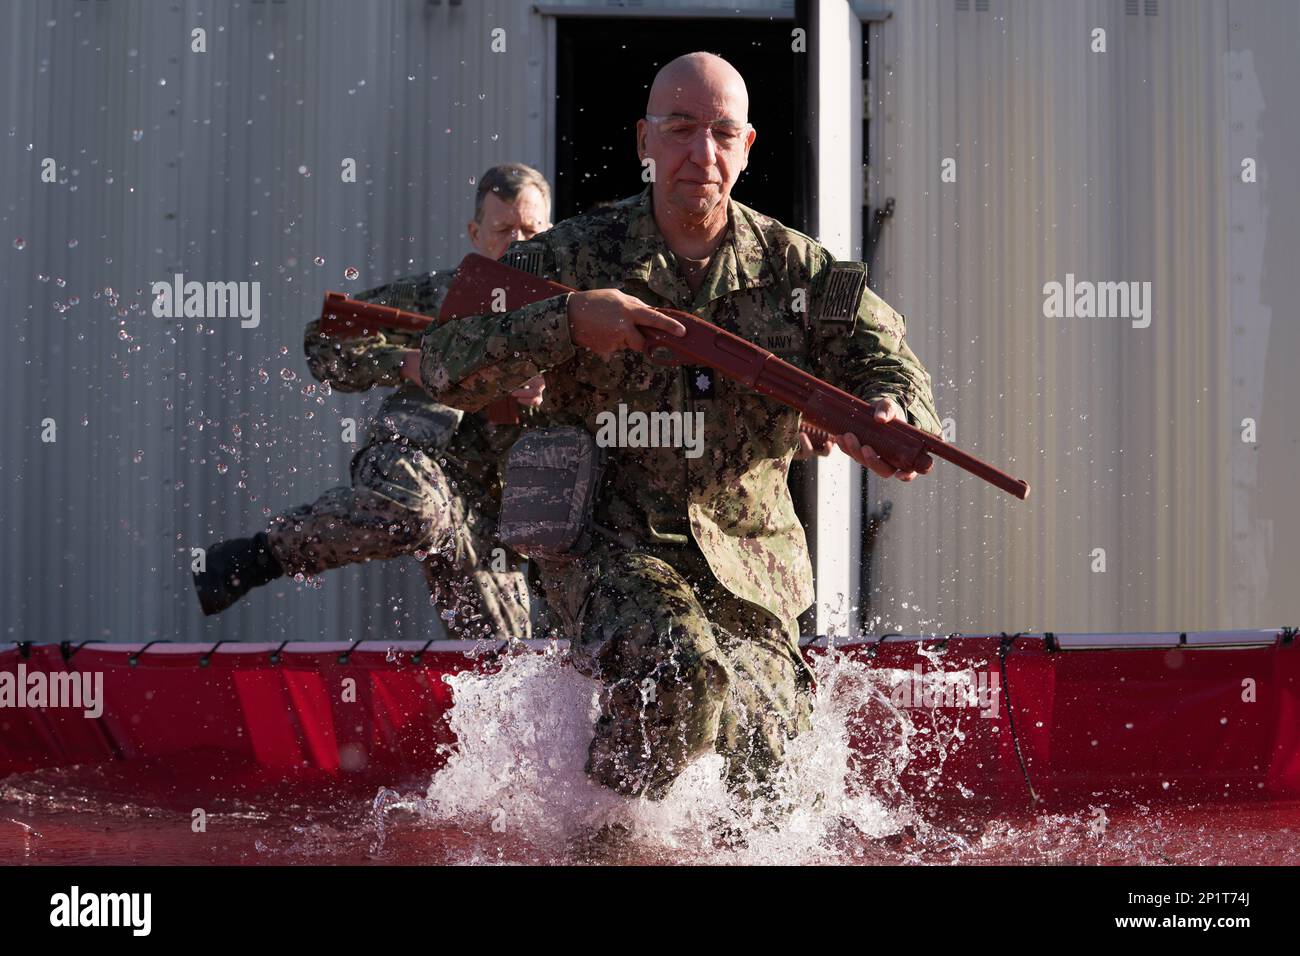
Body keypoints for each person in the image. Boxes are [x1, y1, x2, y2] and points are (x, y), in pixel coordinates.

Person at [411, 53, 941, 798]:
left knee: (769, 762)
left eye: (723, 133)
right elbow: (442, 363)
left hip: (750, 566)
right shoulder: (569, 257)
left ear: (748, 147)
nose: (702, 154)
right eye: (681, 129)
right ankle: (605, 841)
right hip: (609, 548)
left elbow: (888, 363)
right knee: (680, 676)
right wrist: (564, 322)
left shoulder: (802, 271)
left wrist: (891, 415)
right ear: (644, 142)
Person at [192, 163, 553, 642]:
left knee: (508, 659)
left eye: (531, 230)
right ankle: (261, 555)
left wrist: (550, 387)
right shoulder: (440, 295)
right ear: (475, 233)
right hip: (416, 453)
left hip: (486, 505)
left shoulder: (571, 312)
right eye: (504, 229)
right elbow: (325, 338)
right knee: (417, 512)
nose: (518, 242)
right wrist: (409, 361)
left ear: (551, 230)